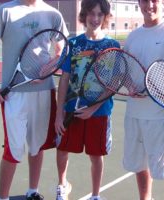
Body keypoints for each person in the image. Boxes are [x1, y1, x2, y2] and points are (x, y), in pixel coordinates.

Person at [0, 0, 68, 200]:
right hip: (14, 95)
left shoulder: (53, 14)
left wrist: (52, 65)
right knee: (12, 150)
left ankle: (32, 192)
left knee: (36, 146)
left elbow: (63, 49)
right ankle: (2, 198)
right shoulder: (5, 11)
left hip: (44, 92)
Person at [54, 0, 120, 200]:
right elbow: (64, 80)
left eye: (100, 14)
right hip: (70, 110)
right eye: (91, 13)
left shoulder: (112, 46)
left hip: (99, 113)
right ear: (84, 15)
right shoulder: (73, 44)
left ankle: (95, 195)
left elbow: (113, 83)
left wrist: (94, 107)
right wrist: (59, 114)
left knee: (96, 156)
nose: (95, 18)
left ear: (105, 17)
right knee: (63, 149)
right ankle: (62, 185)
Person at [122, 0, 164, 199]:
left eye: (155, 0)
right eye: (144, 0)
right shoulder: (133, 36)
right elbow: (126, 69)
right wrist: (130, 86)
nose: (149, 5)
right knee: (140, 164)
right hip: (134, 114)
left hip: (162, 116)